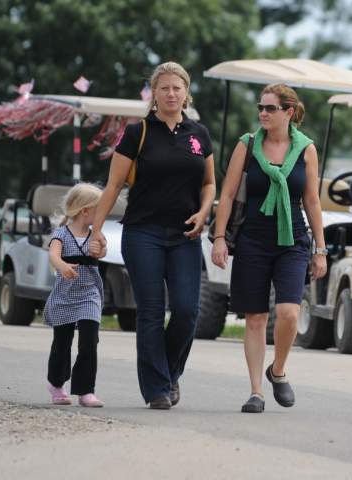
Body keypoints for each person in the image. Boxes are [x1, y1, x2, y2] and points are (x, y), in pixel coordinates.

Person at [90, 61, 216, 409]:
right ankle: (157, 389)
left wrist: (206, 211)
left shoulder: (199, 134)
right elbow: (114, 185)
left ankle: (170, 373)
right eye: (165, 88)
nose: (171, 93)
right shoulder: (137, 132)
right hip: (143, 232)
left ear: (186, 92)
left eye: (177, 88)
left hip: (185, 236)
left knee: (188, 310)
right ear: (154, 94)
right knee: (150, 310)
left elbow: (208, 183)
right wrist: (96, 230)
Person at [211, 83, 328, 413]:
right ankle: (256, 391)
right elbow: (229, 194)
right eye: (260, 108)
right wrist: (220, 238)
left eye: (270, 108)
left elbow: (312, 200)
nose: (262, 113)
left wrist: (321, 249)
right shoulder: (247, 146)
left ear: (288, 112)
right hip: (252, 239)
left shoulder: (306, 149)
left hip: (292, 240)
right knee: (255, 318)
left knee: (289, 312)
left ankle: (277, 370)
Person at [45, 183, 105, 408]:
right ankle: (56, 383)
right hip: (64, 296)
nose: (103, 215)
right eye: (100, 209)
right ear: (85, 211)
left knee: (89, 342)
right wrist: (62, 266)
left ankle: (86, 390)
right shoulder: (61, 234)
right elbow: (53, 255)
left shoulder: (95, 236)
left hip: (89, 295)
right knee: (62, 343)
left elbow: (103, 251)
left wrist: (100, 249)